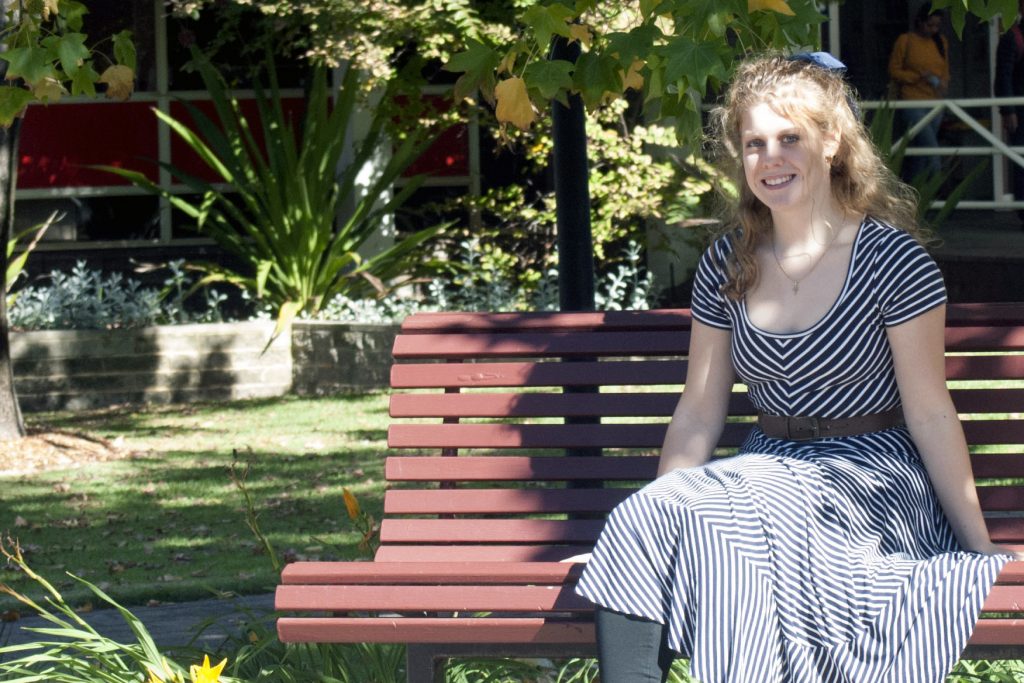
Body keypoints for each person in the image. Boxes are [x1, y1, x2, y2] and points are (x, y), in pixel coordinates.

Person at [574, 52, 1018, 683]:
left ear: (831, 141)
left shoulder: (893, 262)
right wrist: (666, 505)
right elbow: (700, 408)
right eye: (754, 144)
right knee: (642, 514)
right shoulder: (730, 262)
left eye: (789, 139)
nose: (770, 158)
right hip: (767, 471)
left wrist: (976, 545)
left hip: (873, 480)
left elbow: (928, 410)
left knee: (730, 518)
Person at [888, 3, 950, 181]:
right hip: (913, 102)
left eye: (937, 26)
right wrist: (917, 77)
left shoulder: (941, 42)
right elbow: (894, 70)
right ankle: (939, 185)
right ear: (920, 22)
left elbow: (945, 71)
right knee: (931, 148)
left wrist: (942, 82)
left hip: (935, 102)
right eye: (930, 25)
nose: (933, 30)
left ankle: (916, 195)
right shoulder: (905, 41)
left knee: (921, 153)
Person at [995, 0, 1024, 229]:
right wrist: (1008, 110)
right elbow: (1002, 76)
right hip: (1020, 112)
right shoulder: (1012, 37)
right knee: (1020, 161)